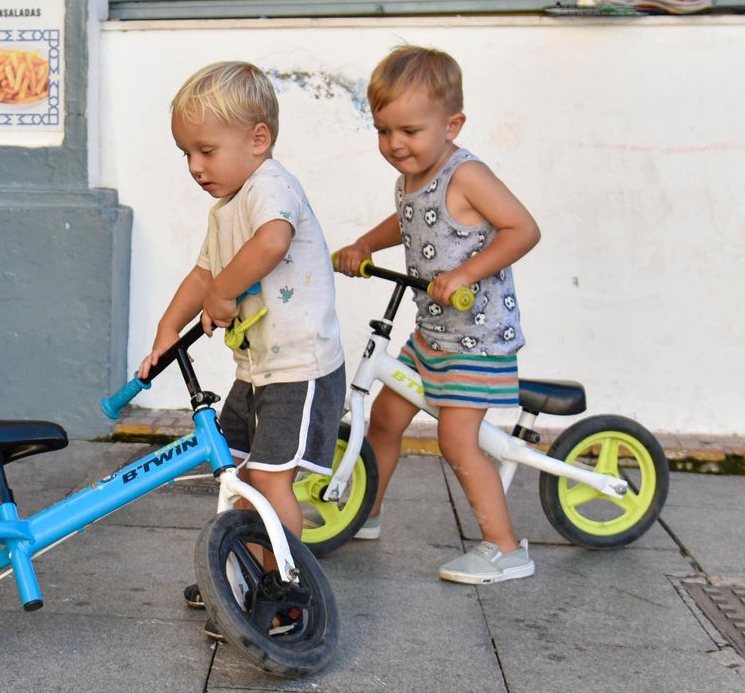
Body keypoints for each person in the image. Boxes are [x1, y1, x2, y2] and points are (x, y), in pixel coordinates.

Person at [138, 61, 345, 637]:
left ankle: (285, 593)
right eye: (186, 154)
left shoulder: (270, 187)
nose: (195, 167)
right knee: (238, 472)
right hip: (258, 367)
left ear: (258, 139)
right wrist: (166, 328)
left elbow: (272, 242)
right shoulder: (225, 207)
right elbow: (205, 272)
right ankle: (242, 572)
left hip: (299, 368)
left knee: (271, 481)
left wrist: (227, 291)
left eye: (205, 150)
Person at [332, 44, 541, 584]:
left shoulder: (467, 175)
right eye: (383, 131)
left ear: (452, 125)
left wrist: (467, 273)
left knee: (456, 440)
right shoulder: (411, 177)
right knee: (385, 418)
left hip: (477, 335)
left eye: (409, 131)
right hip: (432, 332)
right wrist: (363, 245)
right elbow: (406, 220)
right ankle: (364, 511)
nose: (395, 144)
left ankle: (504, 546)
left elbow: (523, 229)